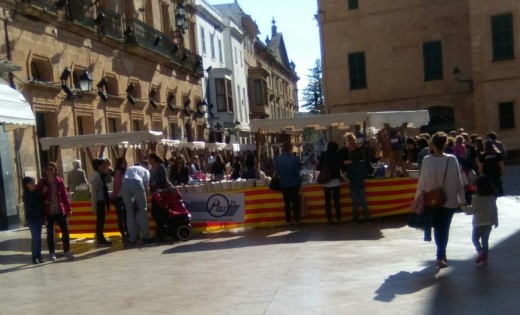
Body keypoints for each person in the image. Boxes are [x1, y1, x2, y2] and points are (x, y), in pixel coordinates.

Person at [415, 132, 465, 268]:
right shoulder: (452, 159)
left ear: (432, 144)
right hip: (449, 200)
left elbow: (422, 181)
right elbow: (459, 180)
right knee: (444, 229)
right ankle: (440, 255)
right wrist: (462, 199)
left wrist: (418, 198)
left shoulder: (426, 160)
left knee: (437, 228)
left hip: (432, 200)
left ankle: (440, 255)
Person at [36, 162, 74, 261]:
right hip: (48, 211)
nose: (49, 171)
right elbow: (36, 195)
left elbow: (65, 196)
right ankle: (52, 253)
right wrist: (43, 193)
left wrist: (69, 208)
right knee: (50, 233)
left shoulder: (59, 181)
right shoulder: (42, 182)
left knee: (65, 231)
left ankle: (67, 251)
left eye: (51, 169)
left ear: (55, 170)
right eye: (47, 169)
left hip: (59, 209)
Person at [462, 175, 499, 265]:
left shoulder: (476, 198)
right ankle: (484, 258)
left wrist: (463, 207)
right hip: (489, 222)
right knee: (485, 240)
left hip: (478, 222)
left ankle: (480, 252)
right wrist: (496, 220)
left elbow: (473, 210)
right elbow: (495, 209)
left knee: (475, 239)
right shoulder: (492, 197)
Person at [121, 161, 154, 246]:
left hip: (125, 184)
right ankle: (145, 236)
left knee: (129, 212)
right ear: (147, 166)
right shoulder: (146, 171)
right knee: (143, 211)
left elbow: (124, 180)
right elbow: (145, 186)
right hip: (137, 183)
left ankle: (132, 238)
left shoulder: (131, 168)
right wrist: (145, 199)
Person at [275, 141, 302, 225]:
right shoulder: (295, 158)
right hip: (294, 182)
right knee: (295, 202)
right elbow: (298, 171)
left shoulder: (278, 158)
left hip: (284, 183)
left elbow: (277, 172)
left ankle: (288, 220)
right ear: (290, 148)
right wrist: (300, 181)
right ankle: (297, 220)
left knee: (286, 202)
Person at [317, 141, 343, 224]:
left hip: (326, 180)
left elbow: (319, 167)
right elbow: (341, 166)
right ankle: (338, 218)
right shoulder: (338, 154)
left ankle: (329, 219)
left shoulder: (323, 154)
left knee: (327, 201)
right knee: (337, 201)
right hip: (336, 180)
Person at [22, 176, 45, 264]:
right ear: (27, 185)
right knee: (35, 237)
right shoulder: (26, 195)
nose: (33, 184)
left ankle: (39, 256)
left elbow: (40, 202)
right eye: (31, 183)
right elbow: (31, 206)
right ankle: (34, 257)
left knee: (38, 237)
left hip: (38, 217)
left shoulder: (36, 193)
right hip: (31, 218)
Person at [148, 153, 171, 240]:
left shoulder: (161, 167)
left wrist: (156, 181)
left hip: (162, 192)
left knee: (160, 211)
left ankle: (163, 230)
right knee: (154, 212)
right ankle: (161, 229)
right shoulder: (151, 169)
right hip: (155, 193)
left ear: (154, 159)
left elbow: (164, 179)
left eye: (149, 158)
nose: (149, 160)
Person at [90, 159, 110, 245]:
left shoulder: (100, 174)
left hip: (101, 200)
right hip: (98, 200)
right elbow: (93, 182)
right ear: (98, 166)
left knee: (101, 220)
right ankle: (100, 238)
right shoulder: (97, 175)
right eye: (102, 166)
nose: (104, 167)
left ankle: (100, 236)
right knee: (100, 220)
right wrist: (98, 189)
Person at [347, 148, 370, 223]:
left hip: (353, 184)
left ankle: (356, 219)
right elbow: (365, 174)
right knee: (363, 201)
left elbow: (349, 176)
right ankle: (367, 218)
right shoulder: (363, 164)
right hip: (361, 183)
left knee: (354, 202)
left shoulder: (350, 166)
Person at [110, 157, 128, 240]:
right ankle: (123, 232)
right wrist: (114, 194)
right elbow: (118, 185)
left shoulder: (125, 172)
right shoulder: (118, 172)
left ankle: (126, 231)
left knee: (124, 215)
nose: (126, 163)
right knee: (121, 215)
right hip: (119, 196)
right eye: (124, 162)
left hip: (124, 195)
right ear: (120, 164)